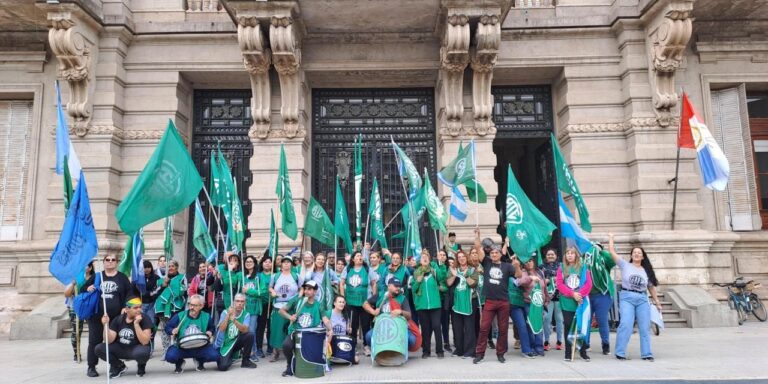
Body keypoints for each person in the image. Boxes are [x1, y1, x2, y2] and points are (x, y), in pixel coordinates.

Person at [609, 234, 662, 362]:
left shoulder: (646, 271)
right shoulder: (625, 265)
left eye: (639, 253)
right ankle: (620, 352)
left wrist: (657, 302)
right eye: (634, 252)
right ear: (631, 255)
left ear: (643, 256)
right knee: (626, 324)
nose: (637, 254)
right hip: (627, 297)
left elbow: (651, 287)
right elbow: (611, 252)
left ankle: (647, 353)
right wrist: (611, 238)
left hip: (642, 299)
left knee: (644, 327)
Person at [473, 228, 520, 364]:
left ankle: (500, 353)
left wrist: (516, 266)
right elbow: (478, 248)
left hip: (504, 302)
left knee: (503, 329)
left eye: (496, 252)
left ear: (500, 254)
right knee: (484, 328)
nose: (493, 254)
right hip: (490, 301)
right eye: (492, 252)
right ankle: (480, 354)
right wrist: (478, 235)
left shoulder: (507, 266)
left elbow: (518, 276)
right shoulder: (487, 263)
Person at [84, 254, 132, 377]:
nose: (110, 262)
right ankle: (91, 366)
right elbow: (83, 290)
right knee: (94, 341)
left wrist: (125, 307)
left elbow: (129, 294)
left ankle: (114, 365)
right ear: (104, 262)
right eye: (107, 260)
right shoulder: (97, 276)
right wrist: (88, 288)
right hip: (96, 316)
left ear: (116, 262)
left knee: (113, 342)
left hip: (116, 318)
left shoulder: (122, 278)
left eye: (113, 260)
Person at [278, 280, 331, 377]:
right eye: (305, 289)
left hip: (311, 334)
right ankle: (290, 365)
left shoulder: (318, 304)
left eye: (309, 289)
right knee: (286, 345)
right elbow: (281, 311)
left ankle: (314, 365)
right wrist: (290, 317)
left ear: (315, 291)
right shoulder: (297, 300)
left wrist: (330, 329)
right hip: (296, 332)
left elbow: (325, 319)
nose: (306, 291)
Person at [94, 297, 152, 378]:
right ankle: (119, 366)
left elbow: (145, 341)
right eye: (135, 308)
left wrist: (136, 324)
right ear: (127, 309)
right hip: (121, 348)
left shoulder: (144, 318)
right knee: (99, 348)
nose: (139, 310)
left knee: (142, 353)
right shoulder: (118, 319)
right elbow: (109, 340)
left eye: (140, 307)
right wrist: (105, 325)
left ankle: (141, 365)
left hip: (136, 348)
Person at [163, 294, 219, 373]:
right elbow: (167, 327)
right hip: (182, 347)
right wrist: (172, 331)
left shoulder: (206, 316)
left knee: (215, 355)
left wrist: (210, 331)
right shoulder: (180, 315)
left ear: (201, 306)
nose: (191, 307)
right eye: (190, 304)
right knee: (170, 356)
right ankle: (179, 362)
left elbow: (212, 328)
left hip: (201, 346)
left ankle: (200, 360)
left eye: (195, 305)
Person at [556, 246, 593, 362]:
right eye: (568, 253)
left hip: (580, 301)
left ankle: (582, 351)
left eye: (572, 253)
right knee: (568, 324)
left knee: (581, 326)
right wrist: (573, 294)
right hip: (567, 302)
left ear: (576, 255)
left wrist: (579, 295)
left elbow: (588, 284)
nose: (570, 255)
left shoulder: (583, 268)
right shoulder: (562, 268)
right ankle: (568, 351)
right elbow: (560, 284)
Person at [362, 277, 417, 351]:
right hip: (382, 328)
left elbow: (409, 315)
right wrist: (373, 312)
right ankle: (381, 351)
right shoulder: (381, 295)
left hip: (398, 328)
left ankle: (399, 350)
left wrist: (400, 312)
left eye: (399, 286)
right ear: (389, 286)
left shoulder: (402, 298)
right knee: (368, 336)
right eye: (395, 286)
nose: (398, 288)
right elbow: (365, 304)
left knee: (412, 340)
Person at [340, 251, 377, 356]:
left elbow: (374, 283)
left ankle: (366, 346)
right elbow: (341, 283)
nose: (360, 257)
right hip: (351, 302)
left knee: (366, 325)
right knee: (353, 325)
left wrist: (373, 298)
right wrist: (343, 297)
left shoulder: (367, 269)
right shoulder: (347, 269)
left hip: (365, 302)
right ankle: (353, 345)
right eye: (357, 256)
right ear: (353, 259)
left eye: (361, 256)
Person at [583, 242, 617, 355]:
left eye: (597, 247)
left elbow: (613, 261)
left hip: (603, 294)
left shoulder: (603, 259)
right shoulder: (584, 259)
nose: (594, 249)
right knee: (586, 321)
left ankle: (605, 345)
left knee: (602, 320)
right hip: (587, 295)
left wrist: (601, 251)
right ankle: (585, 344)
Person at [412, 251, 445, 358]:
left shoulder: (434, 270)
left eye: (427, 257)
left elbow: (442, 277)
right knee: (425, 329)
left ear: (429, 260)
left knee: (436, 326)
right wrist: (417, 281)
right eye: (422, 257)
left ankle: (439, 351)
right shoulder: (417, 272)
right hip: (422, 306)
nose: (425, 258)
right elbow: (413, 289)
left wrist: (440, 264)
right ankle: (426, 351)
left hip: (435, 305)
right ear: (420, 261)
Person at [513, 257, 549, 358]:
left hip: (539, 304)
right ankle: (533, 347)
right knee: (531, 326)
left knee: (539, 325)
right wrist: (531, 278)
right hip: (528, 303)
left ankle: (539, 348)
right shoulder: (523, 272)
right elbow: (518, 282)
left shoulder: (540, 272)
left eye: (530, 260)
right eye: (526, 261)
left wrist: (547, 299)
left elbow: (544, 287)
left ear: (534, 261)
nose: (529, 263)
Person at [446, 250, 479, 358]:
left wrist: (461, 275)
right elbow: (448, 283)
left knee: (469, 327)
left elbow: (473, 284)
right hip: (456, 302)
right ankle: (459, 349)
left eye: (463, 256)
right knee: (457, 327)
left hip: (469, 302)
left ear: (467, 257)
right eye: (459, 257)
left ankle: (470, 351)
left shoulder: (473, 270)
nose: (461, 258)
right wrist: (455, 275)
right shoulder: (453, 269)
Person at [215, 293, 257, 370]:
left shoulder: (246, 314)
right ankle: (230, 356)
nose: (240, 303)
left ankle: (245, 361)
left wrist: (234, 320)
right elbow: (221, 329)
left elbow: (245, 330)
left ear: (245, 303)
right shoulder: (225, 312)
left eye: (242, 301)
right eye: (237, 301)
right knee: (222, 367)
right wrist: (228, 316)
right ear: (234, 302)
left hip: (236, 341)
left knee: (250, 335)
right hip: (225, 344)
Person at [269, 256, 299, 362]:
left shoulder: (296, 276)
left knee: (291, 329)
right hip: (278, 306)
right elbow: (270, 287)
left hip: (292, 306)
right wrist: (272, 291)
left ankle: (292, 350)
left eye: (288, 262)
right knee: (277, 329)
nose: (286, 264)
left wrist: (296, 299)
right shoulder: (275, 276)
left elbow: (301, 289)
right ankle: (275, 351)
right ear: (281, 264)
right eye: (284, 262)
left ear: (291, 264)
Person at [64, 261, 94, 362]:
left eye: (85, 265)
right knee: (76, 331)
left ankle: (94, 353)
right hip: (75, 307)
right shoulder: (75, 278)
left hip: (89, 307)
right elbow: (67, 294)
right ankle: (77, 353)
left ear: (90, 268)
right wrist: (73, 284)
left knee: (94, 330)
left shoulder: (93, 278)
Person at [155, 260, 187, 351]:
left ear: (177, 267)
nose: (170, 268)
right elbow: (155, 293)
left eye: (172, 266)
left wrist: (173, 287)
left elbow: (184, 291)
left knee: (177, 329)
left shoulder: (182, 277)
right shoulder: (161, 279)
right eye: (169, 266)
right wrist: (163, 285)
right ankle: (166, 350)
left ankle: (177, 349)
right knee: (165, 329)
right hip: (162, 308)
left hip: (176, 308)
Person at [242, 255, 266, 362]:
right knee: (242, 331)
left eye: (251, 261)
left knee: (251, 331)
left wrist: (249, 291)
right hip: (242, 308)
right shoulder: (241, 275)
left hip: (254, 309)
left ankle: (252, 353)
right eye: (247, 261)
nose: (248, 263)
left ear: (255, 263)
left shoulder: (259, 276)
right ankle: (244, 351)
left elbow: (262, 292)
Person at [324, 295, 360, 364]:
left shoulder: (346, 315)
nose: (342, 304)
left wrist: (349, 329)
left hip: (342, 341)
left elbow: (347, 330)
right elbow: (323, 328)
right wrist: (328, 332)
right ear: (334, 303)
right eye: (339, 302)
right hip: (331, 340)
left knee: (356, 359)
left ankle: (340, 357)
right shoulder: (328, 313)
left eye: (343, 302)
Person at [541, 248, 564, 351]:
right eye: (548, 254)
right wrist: (544, 281)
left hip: (560, 296)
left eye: (552, 254)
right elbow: (539, 280)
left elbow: (565, 277)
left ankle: (559, 341)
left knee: (560, 319)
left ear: (556, 255)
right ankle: (546, 341)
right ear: (546, 256)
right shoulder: (541, 267)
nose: (550, 256)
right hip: (548, 297)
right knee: (547, 319)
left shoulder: (561, 266)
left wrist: (557, 279)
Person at [139, 260, 161, 352]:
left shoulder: (156, 277)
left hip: (152, 304)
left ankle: (150, 346)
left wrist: (146, 294)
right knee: (141, 325)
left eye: (148, 267)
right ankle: (142, 346)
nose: (146, 269)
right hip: (141, 304)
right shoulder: (139, 278)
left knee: (152, 325)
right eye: (144, 267)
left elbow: (158, 290)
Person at [255, 256, 273, 358]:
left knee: (271, 326)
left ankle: (270, 346)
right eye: (265, 262)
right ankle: (259, 348)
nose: (267, 263)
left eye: (269, 262)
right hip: (261, 304)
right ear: (262, 264)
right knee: (260, 327)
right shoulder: (258, 275)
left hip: (272, 304)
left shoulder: (274, 275)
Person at [435, 250, 452, 353]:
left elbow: (448, 283)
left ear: (446, 257)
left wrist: (444, 289)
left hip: (445, 298)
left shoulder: (448, 268)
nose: (442, 256)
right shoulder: (433, 266)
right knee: (436, 323)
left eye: (443, 255)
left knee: (445, 322)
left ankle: (446, 342)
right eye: (440, 255)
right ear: (437, 256)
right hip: (435, 298)